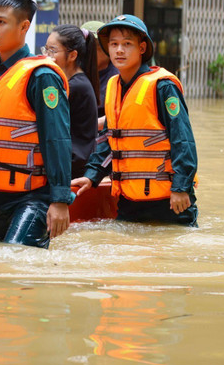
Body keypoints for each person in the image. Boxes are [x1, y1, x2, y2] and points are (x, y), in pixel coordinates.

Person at [72, 15, 199, 226]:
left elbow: (183, 139)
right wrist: (92, 175)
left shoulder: (163, 86)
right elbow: (111, 141)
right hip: (129, 202)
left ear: (142, 48)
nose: (119, 50)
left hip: (169, 202)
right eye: (114, 44)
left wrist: (181, 187)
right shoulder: (113, 86)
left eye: (127, 44)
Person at [0, 0, 73, 248]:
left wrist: (60, 199)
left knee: (14, 260)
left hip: (33, 197)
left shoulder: (42, 76)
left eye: (1, 22)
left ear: (23, 27)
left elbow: (57, 139)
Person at [43, 24, 98, 178]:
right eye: (46, 49)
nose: (46, 56)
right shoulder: (72, 83)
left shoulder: (75, 86)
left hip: (72, 168)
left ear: (73, 55)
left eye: (52, 51)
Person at [82, 20, 118, 127]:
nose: (87, 53)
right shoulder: (74, 71)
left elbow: (120, 115)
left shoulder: (118, 77)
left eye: (95, 47)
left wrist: (89, 126)